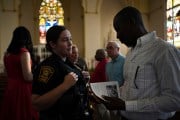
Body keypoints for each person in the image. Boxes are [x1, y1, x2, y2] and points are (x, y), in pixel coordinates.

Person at [101, 6, 180, 120]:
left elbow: (174, 100)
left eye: (119, 29)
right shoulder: (130, 53)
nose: (118, 36)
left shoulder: (164, 50)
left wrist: (126, 105)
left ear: (131, 23)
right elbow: (130, 86)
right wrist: (107, 96)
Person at [32, 25, 92, 120]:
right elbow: (36, 104)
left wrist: (82, 79)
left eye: (70, 39)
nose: (70, 43)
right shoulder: (47, 67)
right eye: (65, 40)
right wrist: (65, 85)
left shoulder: (69, 63)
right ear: (53, 44)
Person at [0, 26, 38, 120]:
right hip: (22, 90)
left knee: (11, 114)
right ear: (27, 38)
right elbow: (27, 77)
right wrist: (38, 76)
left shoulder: (7, 54)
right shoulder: (24, 53)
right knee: (23, 114)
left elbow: (5, 73)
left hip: (10, 88)